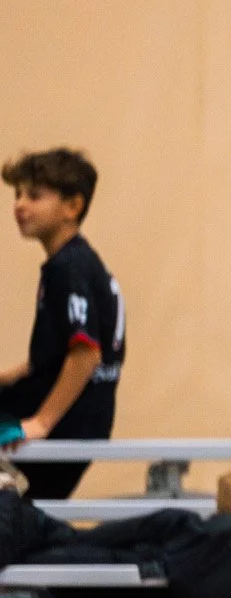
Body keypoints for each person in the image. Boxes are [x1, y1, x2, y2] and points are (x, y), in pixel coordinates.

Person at [0, 149, 124, 500]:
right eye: (18, 195)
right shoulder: (74, 262)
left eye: (35, 196)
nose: (20, 205)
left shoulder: (68, 267)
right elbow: (57, 353)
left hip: (71, 419)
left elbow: (86, 354)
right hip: (84, 414)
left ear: (72, 207)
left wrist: (41, 423)